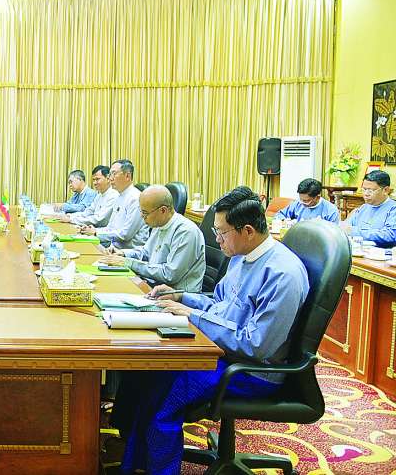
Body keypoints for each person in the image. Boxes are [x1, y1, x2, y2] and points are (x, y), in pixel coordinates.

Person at [110, 186, 309, 475]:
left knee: (165, 397)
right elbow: (219, 304)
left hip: (251, 370)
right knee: (150, 372)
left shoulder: (283, 274)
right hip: (222, 351)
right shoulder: (242, 255)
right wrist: (182, 297)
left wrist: (193, 315)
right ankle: (137, 462)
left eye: (222, 233)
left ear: (248, 231)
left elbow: (256, 345)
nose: (216, 239)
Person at [99, 185, 205, 293]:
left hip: (176, 296)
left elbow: (169, 274)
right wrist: (123, 254)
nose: (141, 216)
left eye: (145, 213)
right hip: (154, 287)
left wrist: (128, 263)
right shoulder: (159, 223)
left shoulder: (186, 232)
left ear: (163, 210)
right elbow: (146, 253)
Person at [80, 159, 149, 249]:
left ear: (127, 176)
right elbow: (110, 227)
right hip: (113, 247)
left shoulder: (135, 198)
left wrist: (96, 233)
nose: (110, 178)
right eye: (110, 174)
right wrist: (91, 230)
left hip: (128, 252)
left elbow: (125, 235)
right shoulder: (119, 196)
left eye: (114, 174)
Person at [341, 170, 396, 247]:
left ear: (385, 190)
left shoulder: (393, 209)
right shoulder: (364, 207)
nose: (366, 194)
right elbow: (346, 227)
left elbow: (391, 235)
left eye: (370, 190)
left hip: (381, 252)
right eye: (364, 189)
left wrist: (354, 231)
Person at [273, 178, 339, 223]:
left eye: (306, 201)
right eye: (301, 199)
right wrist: (285, 221)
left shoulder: (330, 210)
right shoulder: (297, 204)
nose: (302, 203)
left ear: (317, 197)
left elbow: (334, 233)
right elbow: (280, 214)